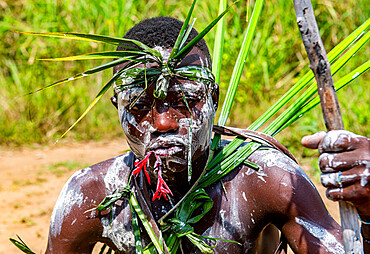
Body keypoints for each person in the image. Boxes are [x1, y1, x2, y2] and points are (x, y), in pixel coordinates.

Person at [45, 17, 370, 253]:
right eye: (141, 105)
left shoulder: (268, 180)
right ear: (116, 106)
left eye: (184, 100)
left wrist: (368, 211)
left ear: (213, 97)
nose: (163, 123)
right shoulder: (89, 196)